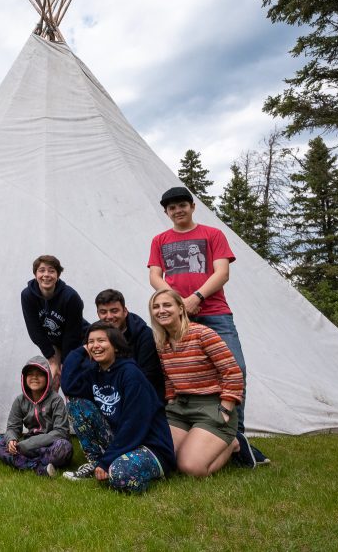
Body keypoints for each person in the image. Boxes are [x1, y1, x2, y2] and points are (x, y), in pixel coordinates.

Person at [147, 186, 269, 466]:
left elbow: (222, 272)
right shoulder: (160, 240)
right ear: (166, 212)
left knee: (235, 367)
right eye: (172, 207)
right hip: (178, 314)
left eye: (182, 205)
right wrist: (176, 303)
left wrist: (196, 298)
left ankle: (236, 437)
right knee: (173, 366)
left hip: (213, 311)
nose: (178, 210)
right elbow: (155, 275)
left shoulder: (212, 234)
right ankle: (188, 427)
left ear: (192, 206)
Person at [60, 323, 175, 493]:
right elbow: (69, 386)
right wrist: (80, 351)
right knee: (77, 404)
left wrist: (108, 461)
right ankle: (96, 463)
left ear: (116, 346)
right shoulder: (95, 372)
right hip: (120, 442)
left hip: (148, 446)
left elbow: (133, 425)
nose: (95, 345)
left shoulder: (131, 374)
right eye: (91, 341)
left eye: (101, 340)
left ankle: (133, 468)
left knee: (120, 476)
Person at [150, 288, 245, 477]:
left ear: (180, 308)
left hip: (212, 406)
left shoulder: (202, 334)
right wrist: (170, 400)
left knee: (191, 467)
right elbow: (168, 378)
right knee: (165, 457)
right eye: (156, 307)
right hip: (180, 408)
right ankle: (198, 441)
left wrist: (225, 409)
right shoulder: (162, 343)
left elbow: (232, 372)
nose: (161, 310)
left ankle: (233, 443)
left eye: (167, 305)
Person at [0, 355, 72, 476]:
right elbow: (12, 427)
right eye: (30, 374)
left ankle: (21, 462)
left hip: (49, 446)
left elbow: (61, 431)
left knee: (64, 448)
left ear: (48, 377)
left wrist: (29, 444)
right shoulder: (20, 400)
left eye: (40, 374)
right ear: (24, 378)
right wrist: (12, 439)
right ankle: (37, 467)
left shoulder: (56, 400)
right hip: (28, 448)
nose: (34, 378)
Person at [19, 255, 85, 384]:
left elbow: (72, 334)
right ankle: (51, 404)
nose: (46, 274)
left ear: (58, 275)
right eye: (42, 270)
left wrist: (66, 362)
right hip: (53, 342)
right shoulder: (27, 295)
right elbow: (35, 330)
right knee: (53, 378)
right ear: (35, 274)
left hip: (76, 340)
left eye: (51, 270)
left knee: (69, 378)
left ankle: (72, 402)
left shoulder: (71, 297)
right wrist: (52, 358)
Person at [90, 288, 164, 400]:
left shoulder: (145, 335)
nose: (109, 317)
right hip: (106, 394)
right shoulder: (94, 335)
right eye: (103, 312)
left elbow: (148, 376)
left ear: (125, 312)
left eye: (114, 311)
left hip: (139, 396)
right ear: (98, 313)